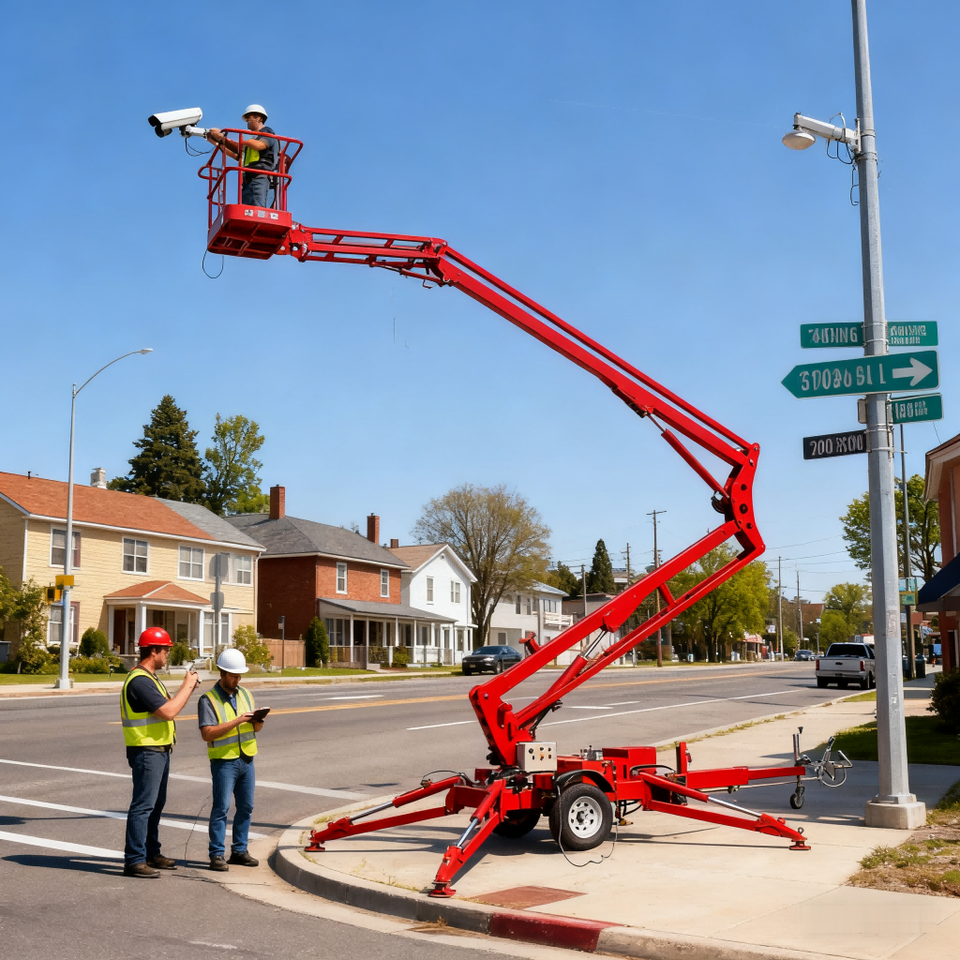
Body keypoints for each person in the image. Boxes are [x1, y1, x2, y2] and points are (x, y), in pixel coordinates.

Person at [120, 627, 200, 878]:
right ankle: (134, 859)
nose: (167, 654)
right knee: (143, 805)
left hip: (159, 750)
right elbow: (168, 711)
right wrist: (187, 686)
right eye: (165, 649)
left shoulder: (150, 678)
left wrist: (187, 689)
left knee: (155, 805)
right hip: (147, 750)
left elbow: (167, 706)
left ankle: (151, 853)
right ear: (153, 651)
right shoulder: (140, 681)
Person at [198, 648, 266, 871]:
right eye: (234, 676)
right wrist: (238, 720)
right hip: (224, 761)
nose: (238, 680)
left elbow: (255, 729)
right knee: (221, 808)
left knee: (246, 807)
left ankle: (239, 850)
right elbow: (207, 733)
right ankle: (216, 854)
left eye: (239, 676)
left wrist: (258, 720)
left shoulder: (245, 694)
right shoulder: (208, 700)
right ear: (222, 673)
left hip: (247, 758)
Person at [206, 104, 277, 207]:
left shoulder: (267, 132)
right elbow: (237, 154)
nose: (247, 120)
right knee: (246, 211)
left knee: (257, 210)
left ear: (259, 118)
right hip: (248, 180)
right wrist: (219, 142)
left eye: (249, 117)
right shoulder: (252, 140)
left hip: (259, 177)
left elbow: (260, 145)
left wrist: (237, 139)